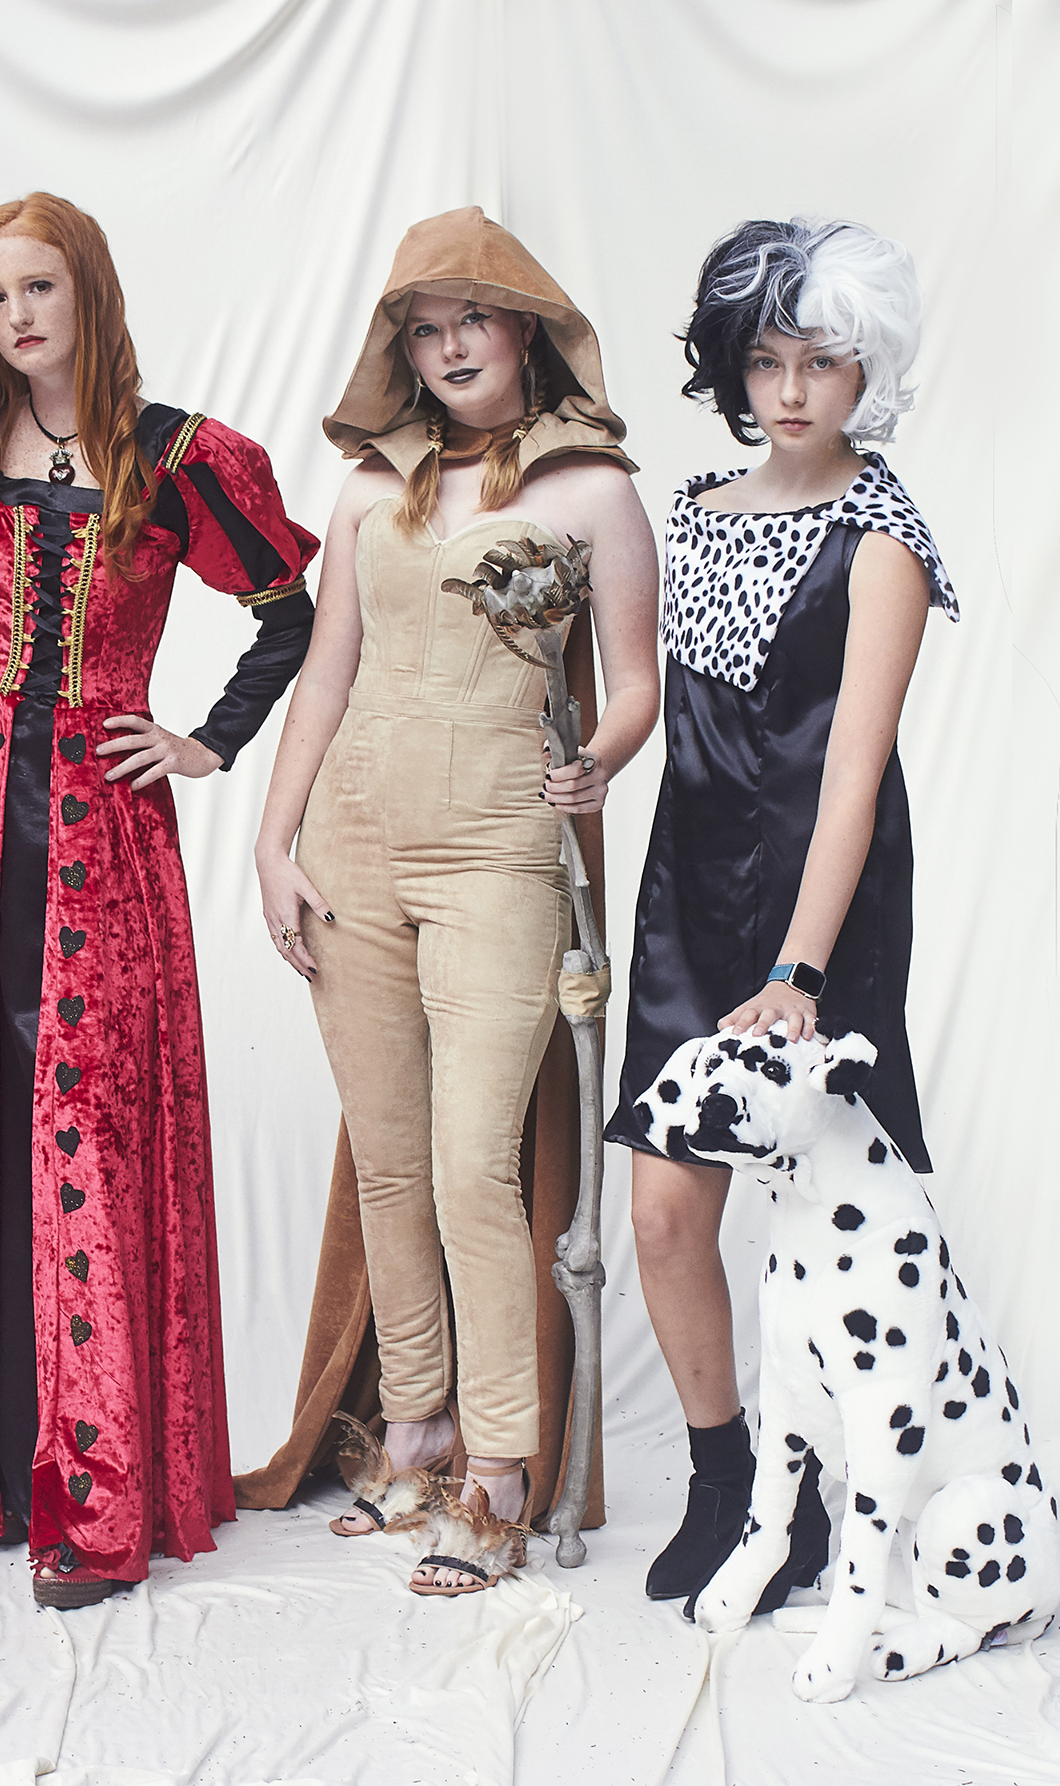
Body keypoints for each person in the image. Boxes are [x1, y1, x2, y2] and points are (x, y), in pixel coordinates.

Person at [0, 192, 318, 1608]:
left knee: (83, 1119)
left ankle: (96, 1490)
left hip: (103, 825)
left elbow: (287, 606)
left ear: (89, 291)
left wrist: (206, 739)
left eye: (38, 288)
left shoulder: (179, 458)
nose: (16, 318)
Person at [250, 208, 659, 1593]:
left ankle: (500, 1467)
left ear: (525, 326)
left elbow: (637, 677)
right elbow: (324, 671)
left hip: (500, 852)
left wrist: (601, 758)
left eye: (470, 321)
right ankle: (412, 1428)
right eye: (423, 332)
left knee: (478, 1163)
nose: (449, 349)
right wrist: (272, 840)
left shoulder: (592, 488)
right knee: (389, 1160)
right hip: (354, 844)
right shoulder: (372, 492)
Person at [608, 218, 959, 1612]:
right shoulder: (691, 511)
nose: (794, 389)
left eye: (823, 360)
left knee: (832, 1220)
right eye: (767, 361)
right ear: (732, 373)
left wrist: (802, 967)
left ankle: (851, 1487)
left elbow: (855, 770)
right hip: (689, 883)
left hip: (822, 896)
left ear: (867, 369)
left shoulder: (886, 534)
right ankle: (724, 1476)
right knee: (659, 1213)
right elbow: (661, 700)